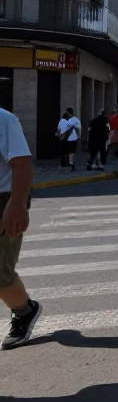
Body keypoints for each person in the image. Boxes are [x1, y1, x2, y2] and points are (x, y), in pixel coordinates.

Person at [1, 107, 40, 350]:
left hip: (3, 201)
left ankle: (24, 311)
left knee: (0, 274)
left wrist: (17, 204)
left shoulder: (3, 119)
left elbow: (22, 164)